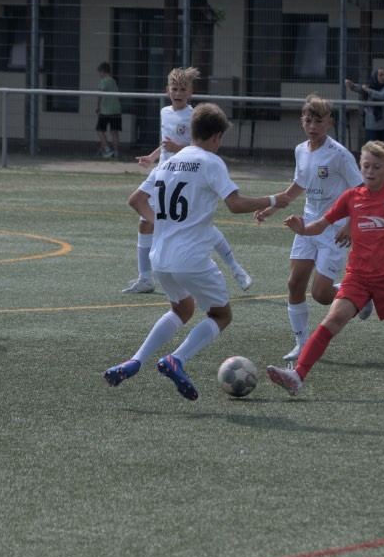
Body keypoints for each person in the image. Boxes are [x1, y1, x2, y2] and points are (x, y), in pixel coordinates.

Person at [104, 103, 292, 400]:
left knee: (182, 308)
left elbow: (136, 200)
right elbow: (235, 204)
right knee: (221, 314)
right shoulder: (210, 162)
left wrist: (164, 223)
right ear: (216, 136)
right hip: (190, 258)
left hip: (160, 257)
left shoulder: (168, 162)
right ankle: (176, 359)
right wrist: (273, 198)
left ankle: (135, 360)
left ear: (192, 131)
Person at [265, 141, 384, 397]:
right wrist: (302, 228)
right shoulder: (351, 197)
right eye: (365, 166)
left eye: (376, 167)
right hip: (358, 278)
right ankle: (297, 376)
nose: (370, 171)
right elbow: (321, 224)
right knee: (332, 320)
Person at [253, 94, 366, 361]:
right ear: (301, 122)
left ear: (329, 122)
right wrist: (273, 206)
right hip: (307, 225)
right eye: (308, 121)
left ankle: (359, 295)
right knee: (294, 283)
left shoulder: (339, 154)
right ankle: (301, 343)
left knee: (321, 295)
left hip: (333, 228)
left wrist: (350, 224)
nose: (312, 126)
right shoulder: (300, 150)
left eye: (318, 121)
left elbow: (361, 191)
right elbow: (298, 186)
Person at [126, 66, 252, 294]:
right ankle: (144, 277)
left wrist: (178, 147)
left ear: (190, 91)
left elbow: (199, 145)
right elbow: (165, 143)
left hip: (188, 173)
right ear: (168, 90)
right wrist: (153, 157)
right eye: (175, 88)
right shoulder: (165, 112)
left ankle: (236, 269)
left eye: (183, 89)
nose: (178, 93)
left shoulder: (194, 116)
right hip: (165, 172)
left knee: (202, 225)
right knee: (145, 221)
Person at [344, 67, 384, 144]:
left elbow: (382, 96)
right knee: (372, 148)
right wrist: (352, 86)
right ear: (375, 76)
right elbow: (361, 88)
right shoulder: (371, 86)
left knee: (383, 150)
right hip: (371, 125)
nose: (383, 77)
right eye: (381, 75)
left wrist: (368, 90)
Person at [94, 62, 122, 159]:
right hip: (116, 110)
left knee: (99, 130)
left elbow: (100, 93)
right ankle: (116, 152)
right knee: (114, 132)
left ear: (103, 71)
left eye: (100, 72)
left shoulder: (104, 81)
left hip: (106, 111)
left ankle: (107, 149)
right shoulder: (113, 81)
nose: (99, 75)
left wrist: (97, 106)